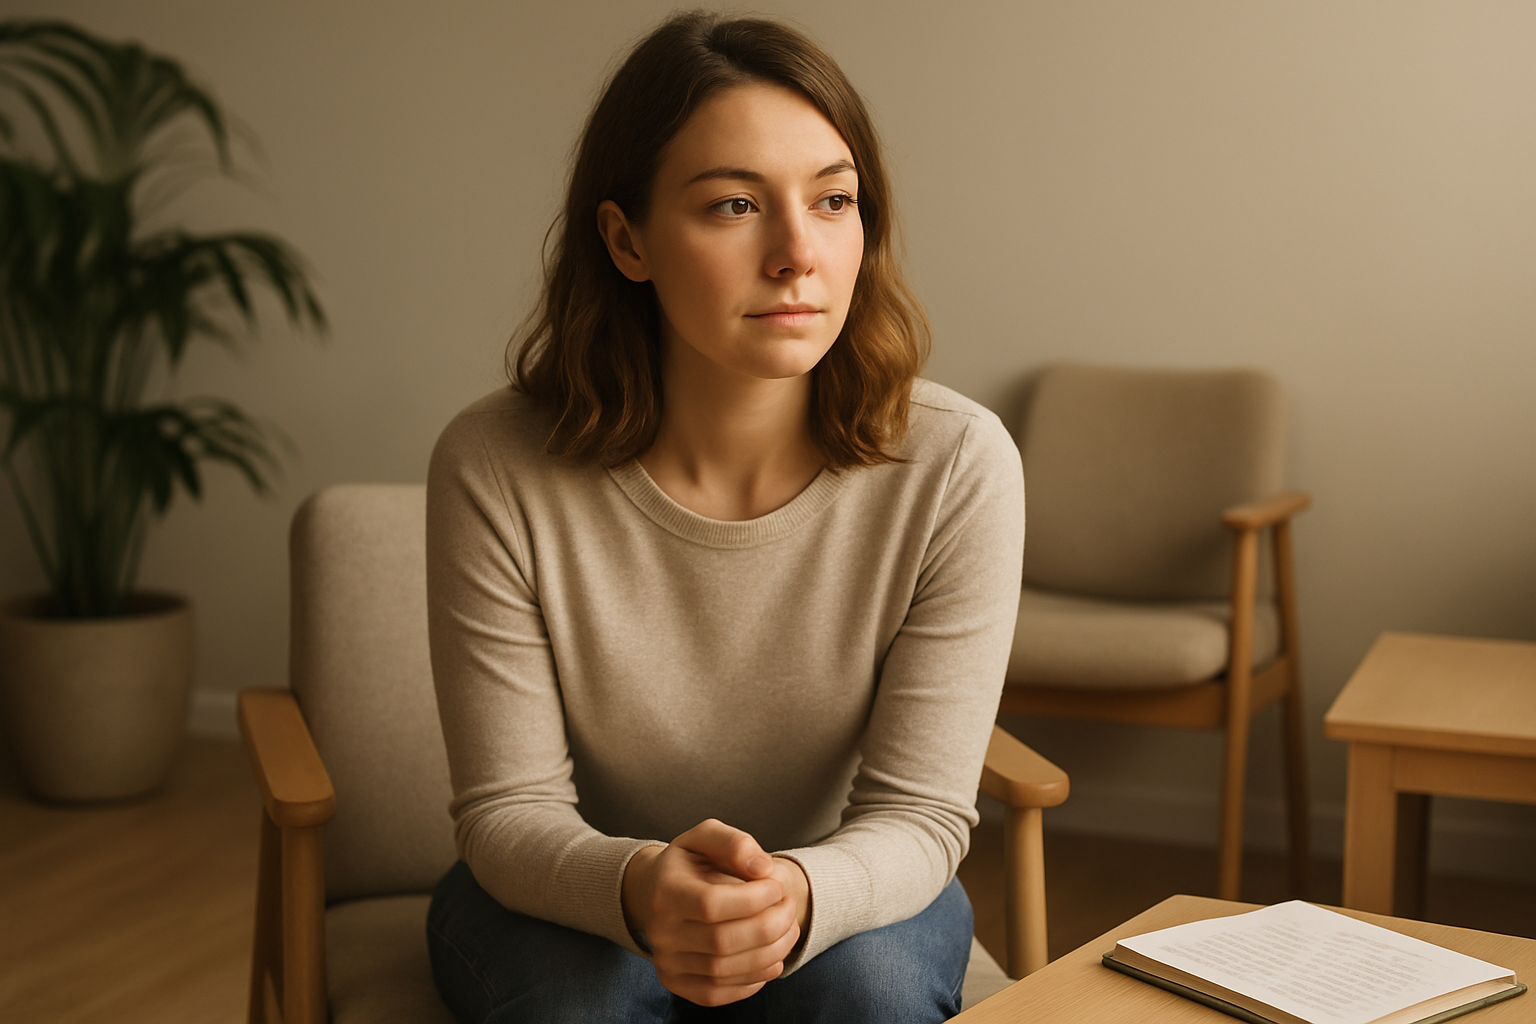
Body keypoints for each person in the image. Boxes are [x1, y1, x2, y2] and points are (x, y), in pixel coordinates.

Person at [424, 10, 1024, 1022]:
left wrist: (796, 894)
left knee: (871, 991)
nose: (798, 253)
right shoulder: (495, 464)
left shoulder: (957, 463)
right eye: (735, 205)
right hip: (571, 894)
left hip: (850, 887)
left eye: (834, 199)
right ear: (626, 239)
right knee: (588, 1005)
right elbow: (508, 811)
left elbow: (917, 815)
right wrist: (641, 886)